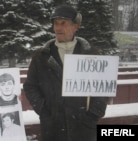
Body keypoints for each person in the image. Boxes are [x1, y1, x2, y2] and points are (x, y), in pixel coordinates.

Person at [23, 4, 109, 141]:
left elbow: (103, 88)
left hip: (83, 128)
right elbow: (30, 86)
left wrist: (93, 115)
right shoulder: (41, 56)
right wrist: (44, 111)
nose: (58, 28)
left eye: (63, 23)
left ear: (75, 26)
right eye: (56, 23)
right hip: (52, 128)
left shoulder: (92, 55)